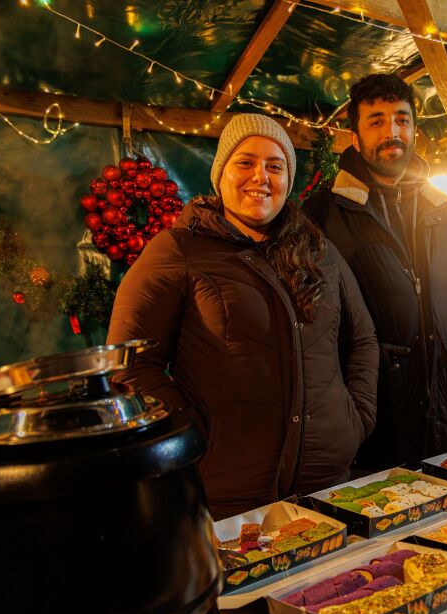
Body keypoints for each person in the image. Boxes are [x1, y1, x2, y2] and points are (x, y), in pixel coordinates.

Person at [107, 113, 379, 519]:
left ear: (288, 178)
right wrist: (192, 435)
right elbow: (128, 364)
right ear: (220, 174)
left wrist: (356, 418)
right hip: (228, 496)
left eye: (275, 166)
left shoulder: (319, 251)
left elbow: (363, 340)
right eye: (245, 162)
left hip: (327, 483)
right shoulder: (178, 250)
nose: (261, 177)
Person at [303, 74, 447, 470]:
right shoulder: (326, 211)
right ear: (354, 137)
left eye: (402, 120)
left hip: (445, 394)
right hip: (374, 410)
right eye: (377, 121)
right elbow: (313, 313)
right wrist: (365, 367)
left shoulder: (440, 205)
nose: (392, 132)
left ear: (415, 130)